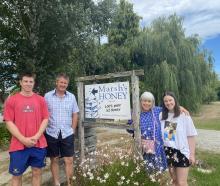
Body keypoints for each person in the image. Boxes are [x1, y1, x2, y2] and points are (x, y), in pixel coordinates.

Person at [3, 72, 49, 186]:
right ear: (20, 82)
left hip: (38, 144)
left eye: (31, 81)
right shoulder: (12, 100)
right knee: (17, 175)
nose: (28, 84)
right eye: (25, 81)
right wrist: (23, 139)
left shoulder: (41, 100)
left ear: (34, 83)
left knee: (37, 172)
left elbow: (45, 119)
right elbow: (8, 122)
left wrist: (37, 136)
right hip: (18, 145)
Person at [44, 73, 79, 186]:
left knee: (69, 160)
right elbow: (43, 114)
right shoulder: (47, 96)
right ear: (57, 82)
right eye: (61, 82)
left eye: (65, 83)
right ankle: (56, 183)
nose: (63, 85)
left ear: (67, 84)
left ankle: (70, 183)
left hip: (67, 133)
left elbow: (75, 114)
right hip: (51, 133)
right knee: (54, 160)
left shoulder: (72, 97)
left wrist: (73, 130)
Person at [160, 91, 197, 186]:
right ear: (163, 103)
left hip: (182, 152)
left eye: (170, 100)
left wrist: (192, 154)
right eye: (165, 101)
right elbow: (169, 136)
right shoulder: (162, 115)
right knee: (174, 181)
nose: (168, 103)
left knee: (182, 182)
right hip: (168, 151)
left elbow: (191, 135)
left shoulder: (184, 115)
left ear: (175, 100)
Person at [138, 92, 168, 175]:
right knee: (144, 170)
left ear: (152, 102)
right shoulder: (136, 113)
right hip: (143, 147)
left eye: (149, 101)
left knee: (157, 170)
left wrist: (180, 108)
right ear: (140, 101)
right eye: (144, 101)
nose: (146, 103)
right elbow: (130, 130)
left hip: (156, 146)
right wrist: (130, 124)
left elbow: (169, 109)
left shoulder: (156, 110)